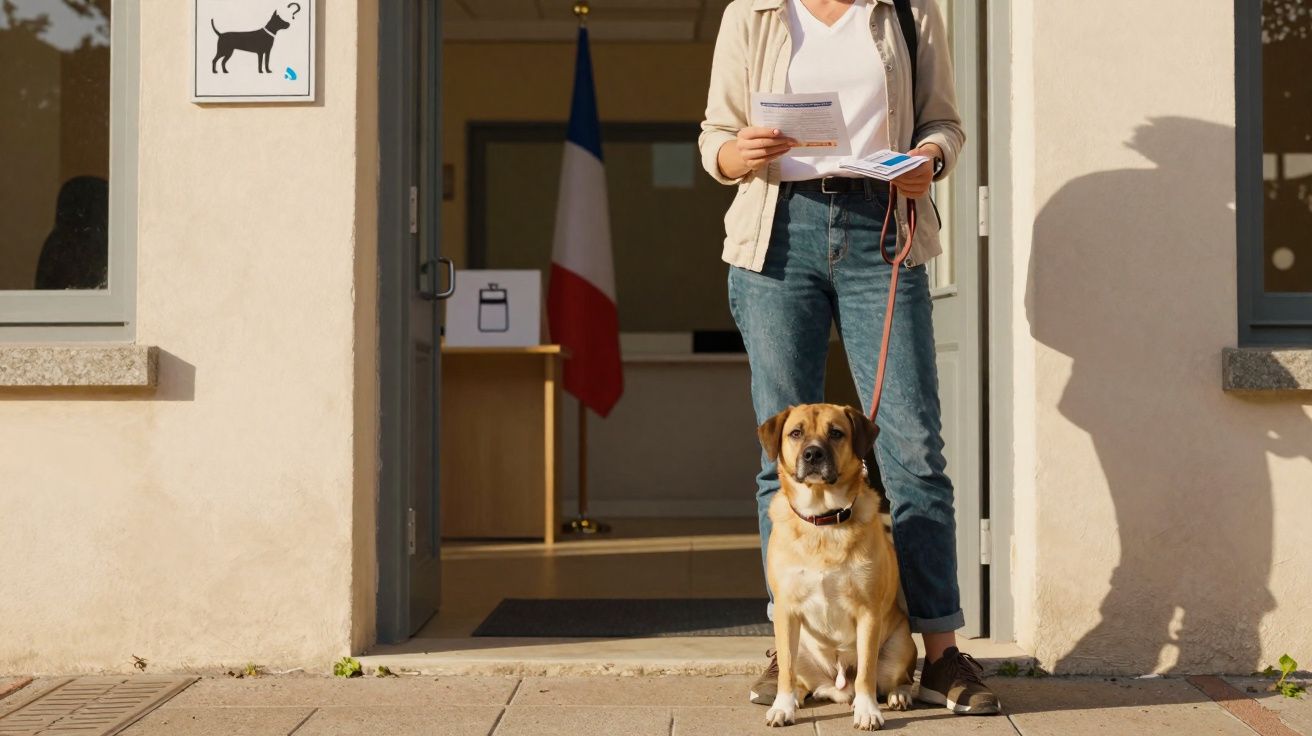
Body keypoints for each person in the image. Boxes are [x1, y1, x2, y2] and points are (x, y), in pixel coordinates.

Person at [698, 0, 999, 715]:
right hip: (778, 232)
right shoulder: (755, 11)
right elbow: (715, 136)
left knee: (913, 449)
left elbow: (944, 126)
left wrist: (929, 160)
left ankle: (941, 654)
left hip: (880, 230)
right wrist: (737, 155)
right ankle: (792, 650)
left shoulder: (905, 9)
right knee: (785, 455)